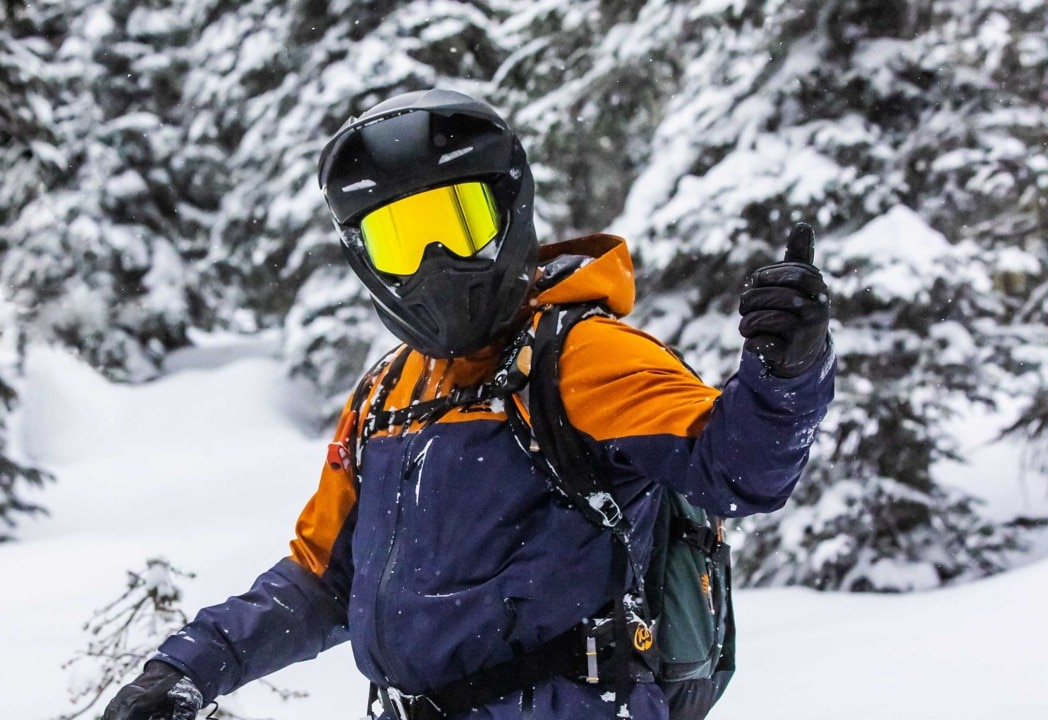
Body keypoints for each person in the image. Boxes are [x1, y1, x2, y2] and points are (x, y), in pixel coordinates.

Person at [102, 89, 835, 720]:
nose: (431, 266)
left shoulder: (583, 355)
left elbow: (737, 469)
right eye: (398, 241)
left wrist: (787, 374)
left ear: (511, 215)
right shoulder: (388, 393)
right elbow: (323, 578)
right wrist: (190, 667)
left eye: (456, 227)